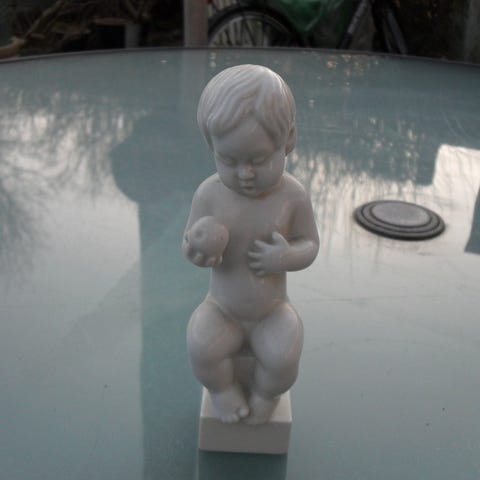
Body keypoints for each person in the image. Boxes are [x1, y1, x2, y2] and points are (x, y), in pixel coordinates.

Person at [182, 64, 319, 424]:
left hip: (271, 309)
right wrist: (198, 249)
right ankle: (223, 391)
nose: (245, 173)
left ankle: (264, 395)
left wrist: (287, 256)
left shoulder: (292, 196)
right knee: (200, 344)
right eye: (228, 160)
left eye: (259, 160)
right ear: (211, 146)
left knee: (285, 356)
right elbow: (189, 242)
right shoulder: (209, 194)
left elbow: (310, 244)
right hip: (222, 308)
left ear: (288, 140)